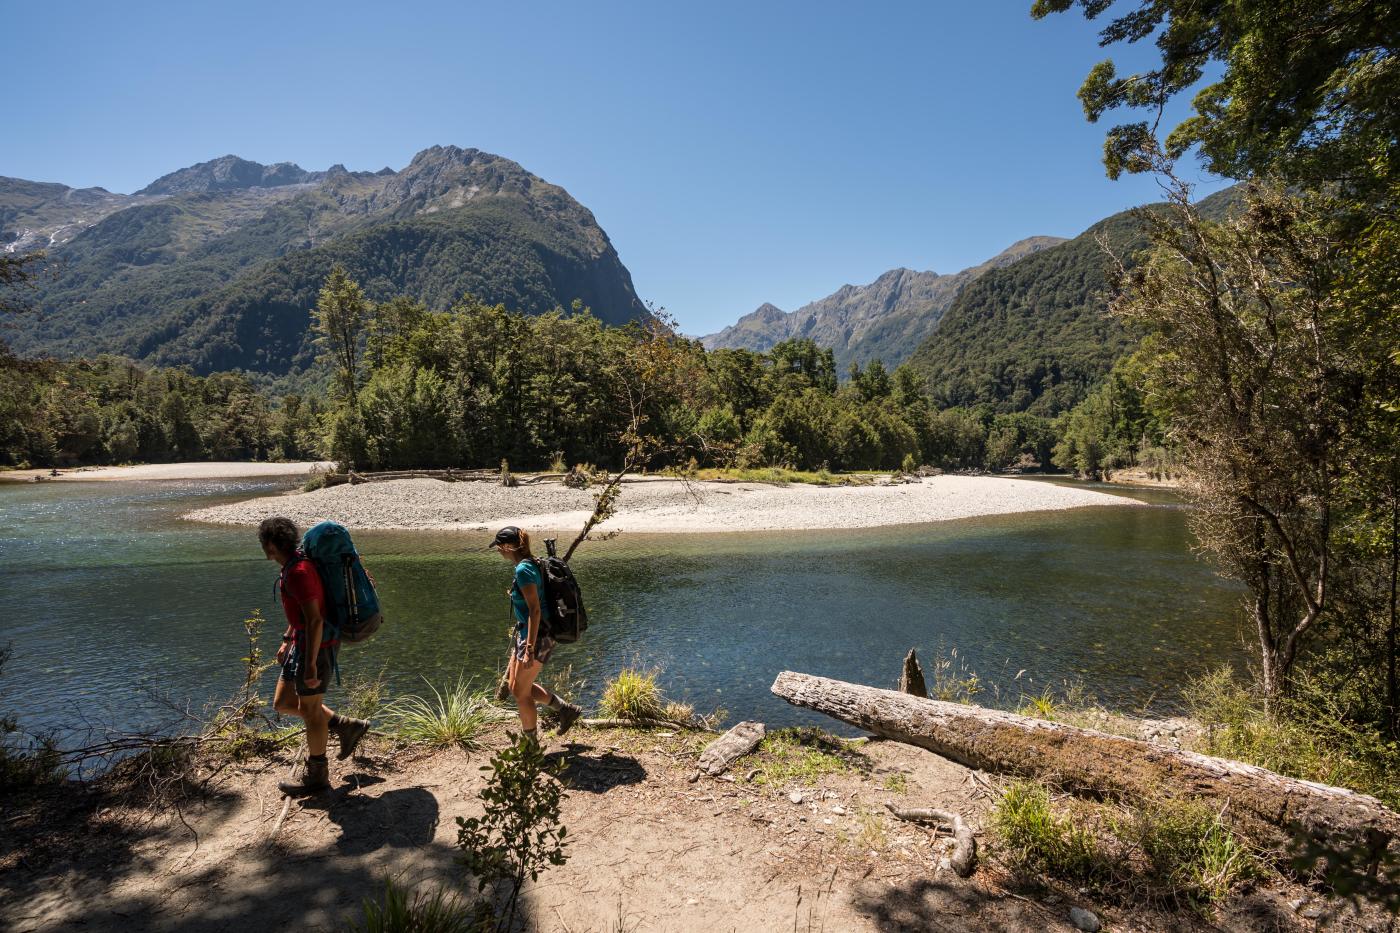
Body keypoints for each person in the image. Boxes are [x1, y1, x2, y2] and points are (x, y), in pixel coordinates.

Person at [259, 516, 370, 795]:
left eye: (263, 541)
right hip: (302, 641)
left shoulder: (299, 572)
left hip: (317, 647)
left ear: (271, 545)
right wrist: (287, 639)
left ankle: (317, 776)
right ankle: (344, 726)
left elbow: (315, 619)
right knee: (283, 702)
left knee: (310, 711)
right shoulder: (294, 565)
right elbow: (303, 613)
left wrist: (310, 665)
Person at [489, 526, 582, 744]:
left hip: (538, 637)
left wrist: (530, 647)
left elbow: (535, 610)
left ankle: (530, 747)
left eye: (499, 547)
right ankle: (564, 709)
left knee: (521, 694)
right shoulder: (533, 563)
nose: (498, 551)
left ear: (508, 546)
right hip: (530, 634)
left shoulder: (523, 570)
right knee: (516, 687)